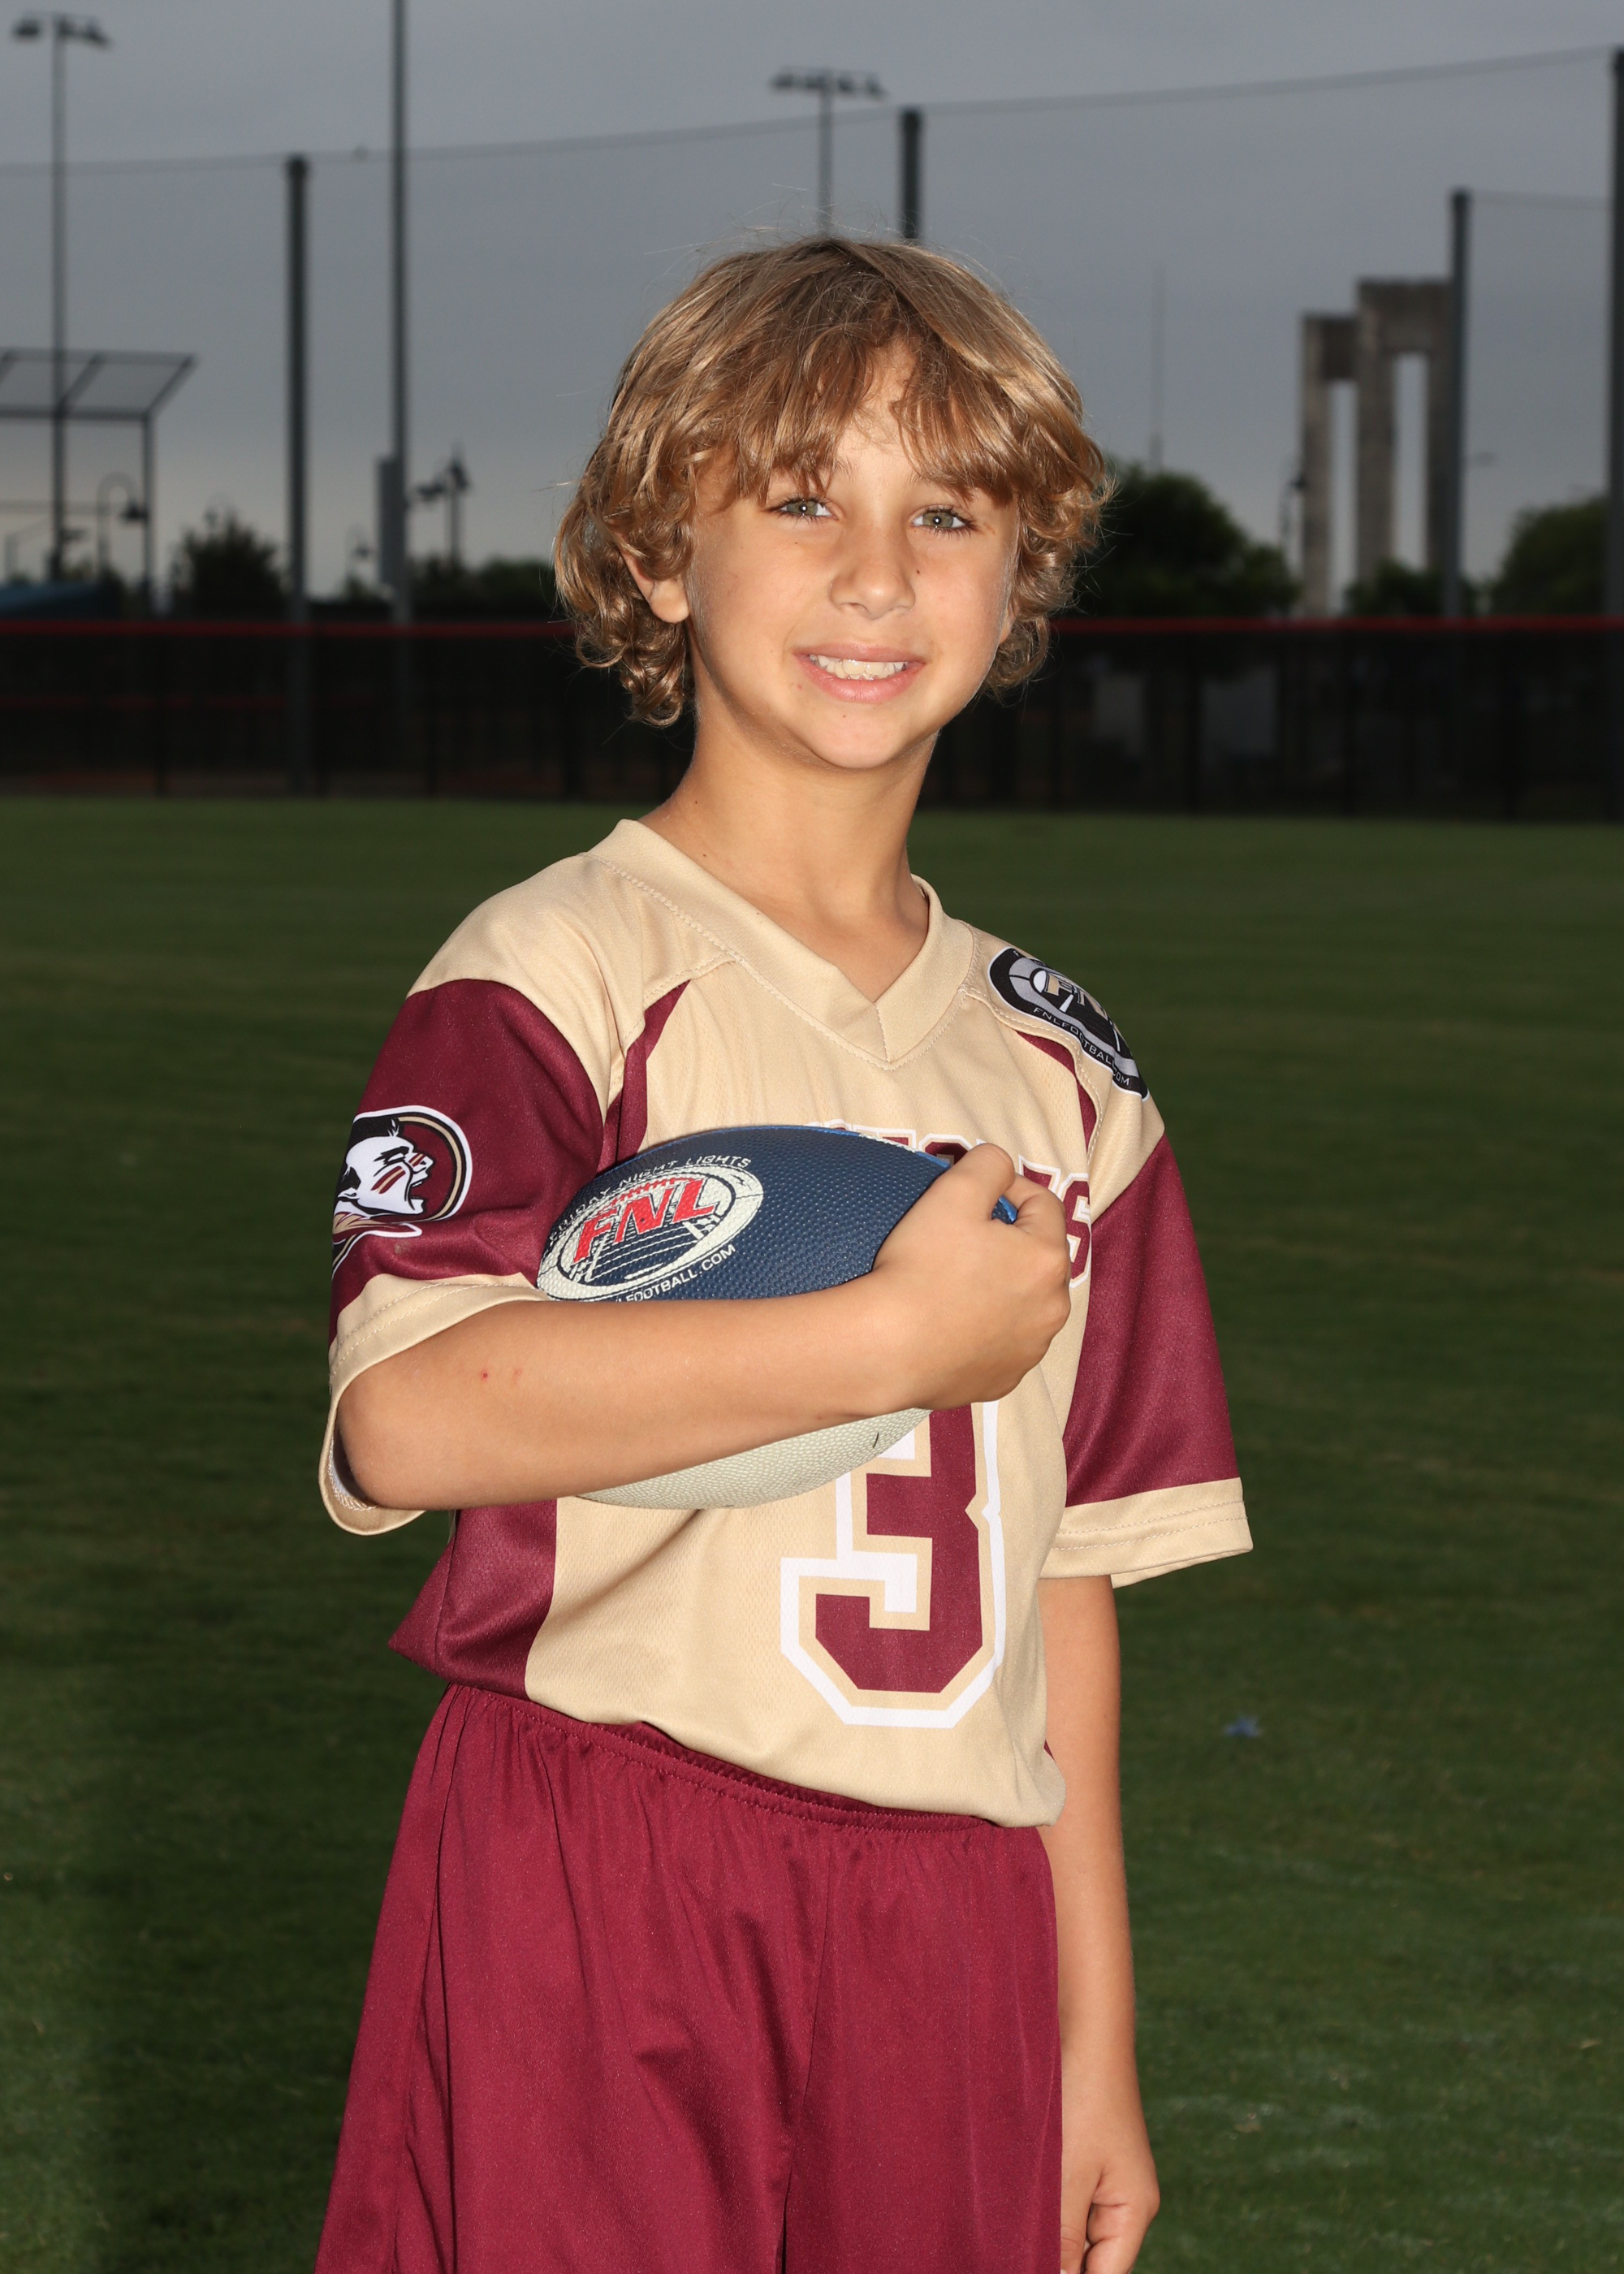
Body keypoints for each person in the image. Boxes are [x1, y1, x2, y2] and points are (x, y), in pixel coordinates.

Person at [314, 237, 1250, 2274]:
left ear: (1021, 576)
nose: (877, 574)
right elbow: (408, 1419)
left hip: (951, 1904)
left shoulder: (1067, 1068)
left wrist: (1094, 2034)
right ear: (664, 553)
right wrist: (886, 1337)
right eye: (803, 497)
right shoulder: (553, 971)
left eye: (949, 514)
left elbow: (1067, 1584)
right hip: (602, 1845)